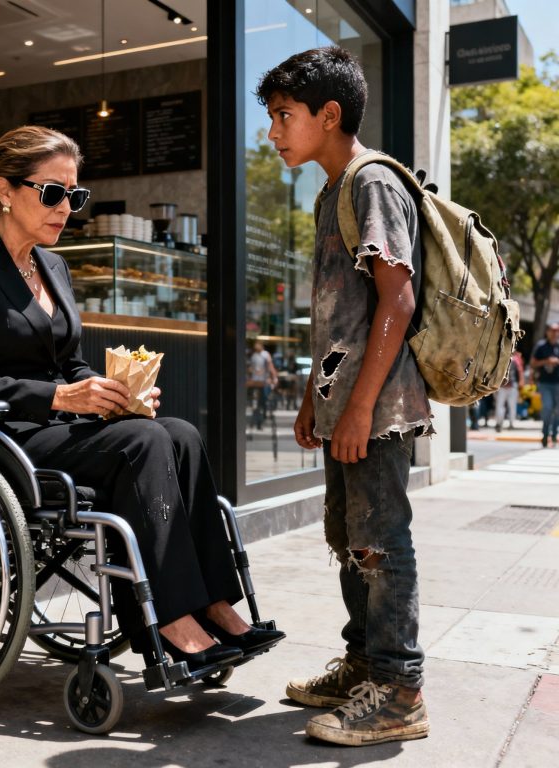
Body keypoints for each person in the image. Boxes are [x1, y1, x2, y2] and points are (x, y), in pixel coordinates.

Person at [0, 125, 284, 670]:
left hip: (53, 427)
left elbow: (68, 364)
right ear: (4, 190)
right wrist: (63, 397)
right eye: (52, 193)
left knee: (179, 434)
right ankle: (167, 621)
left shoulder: (53, 265)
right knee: (140, 444)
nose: (66, 207)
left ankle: (214, 604)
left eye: (75, 195)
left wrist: (116, 393)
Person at [256, 46, 433, 746]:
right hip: (344, 405)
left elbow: (399, 297)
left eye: (283, 117)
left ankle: (399, 691)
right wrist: (312, 398)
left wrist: (360, 406)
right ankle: (365, 665)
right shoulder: (331, 191)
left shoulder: (370, 183)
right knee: (350, 539)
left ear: (329, 116)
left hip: (379, 408)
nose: (273, 134)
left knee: (383, 541)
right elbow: (340, 313)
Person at [530, 322, 559, 448]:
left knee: (557, 410)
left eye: (557, 330)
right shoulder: (541, 346)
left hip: (558, 384)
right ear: (547, 332)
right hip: (545, 383)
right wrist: (546, 361)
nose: (555, 333)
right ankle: (545, 433)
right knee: (547, 407)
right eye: (552, 330)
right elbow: (533, 363)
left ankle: (554, 434)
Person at [247, 340, 278, 428]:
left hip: (264, 381)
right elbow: (251, 367)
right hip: (255, 381)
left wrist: (274, 377)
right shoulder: (253, 355)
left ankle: (262, 415)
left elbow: (270, 366)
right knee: (255, 400)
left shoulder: (265, 354)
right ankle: (257, 417)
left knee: (263, 399)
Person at [494, 352, 525, 432]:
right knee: (512, 406)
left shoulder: (501, 358)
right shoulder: (516, 359)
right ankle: (511, 423)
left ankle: (499, 423)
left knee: (500, 406)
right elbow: (520, 371)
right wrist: (521, 382)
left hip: (502, 386)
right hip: (511, 386)